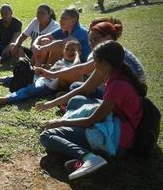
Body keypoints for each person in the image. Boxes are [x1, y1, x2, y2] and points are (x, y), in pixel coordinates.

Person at [39, 41, 146, 180]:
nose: (94, 66)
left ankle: (89, 158)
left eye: (96, 62)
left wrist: (60, 122)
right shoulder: (117, 72)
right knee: (76, 101)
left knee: (47, 136)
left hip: (116, 140)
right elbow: (83, 89)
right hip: (115, 124)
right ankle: (90, 155)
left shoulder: (117, 86)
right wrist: (53, 104)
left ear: (106, 63)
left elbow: (92, 121)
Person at [34, 18, 145, 107]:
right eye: (90, 40)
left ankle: (74, 105)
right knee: (75, 87)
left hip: (121, 103)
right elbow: (83, 68)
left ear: (109, 37)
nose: (91, 44)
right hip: (128, 96)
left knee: (76, 97)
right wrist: (53, 74)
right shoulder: (114, 49)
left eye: (95, 40)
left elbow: (86, 87)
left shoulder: (107, 58)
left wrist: (51, 103)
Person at [0, 40, 81, 105]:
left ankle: (6, 99)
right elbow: (52, 70)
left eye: (73, 50)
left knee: (28, 90)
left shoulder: (76, 65)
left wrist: (77, 56)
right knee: (19, 76)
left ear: (78, 53)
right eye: (67, 49)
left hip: (48, 85)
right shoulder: (61, 61)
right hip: (42, 78)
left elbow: (75, 67)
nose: (69, 52)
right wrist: (44, 68)